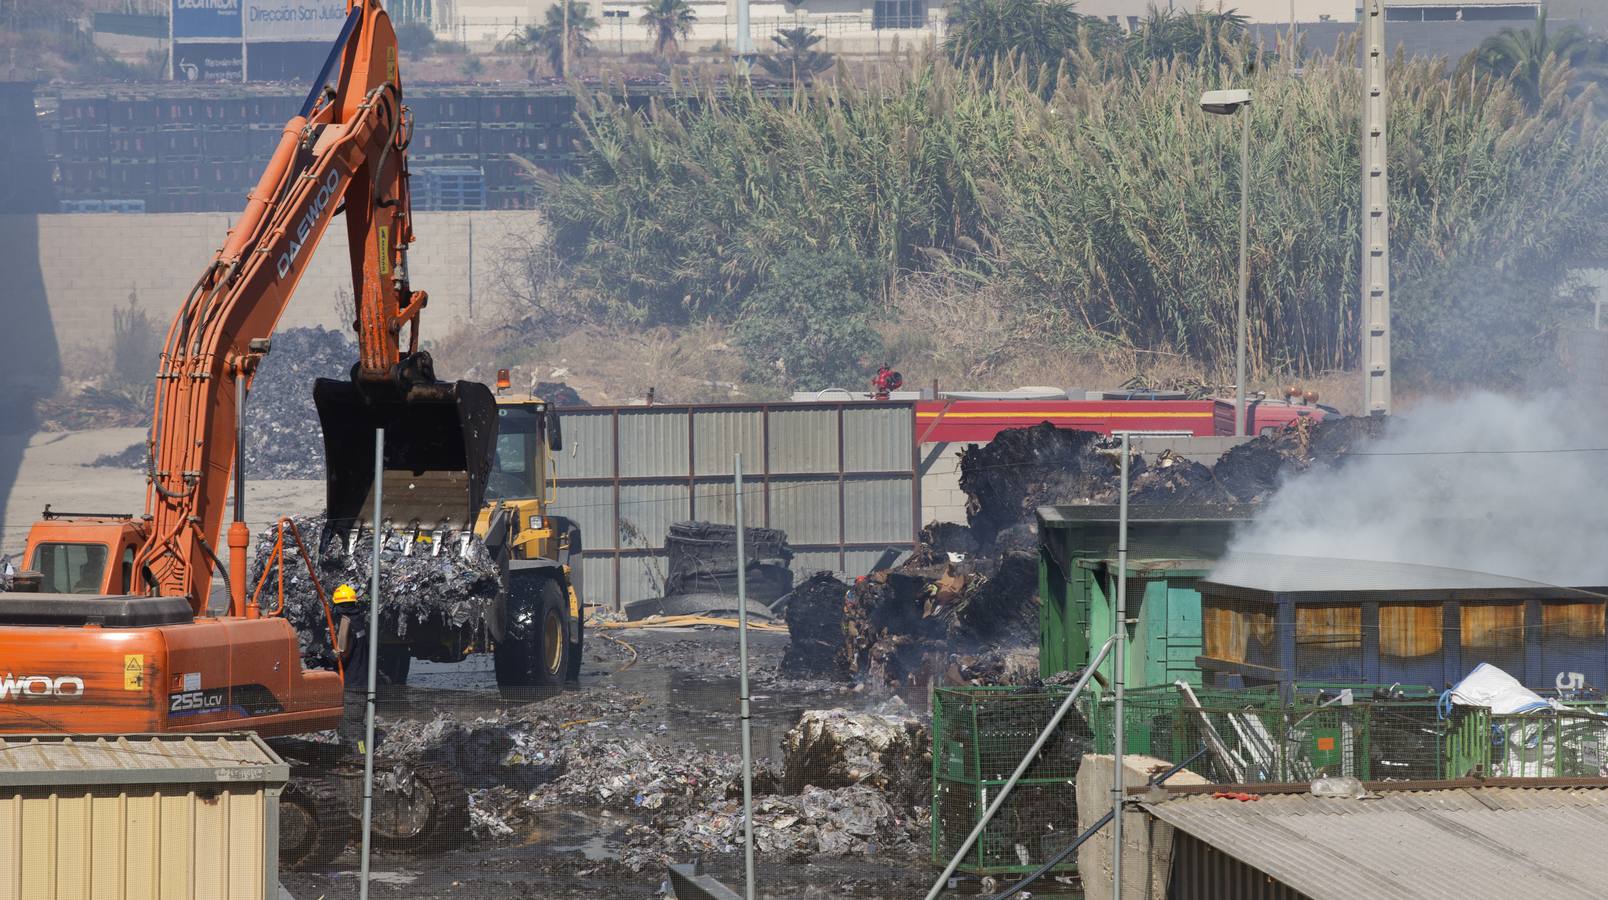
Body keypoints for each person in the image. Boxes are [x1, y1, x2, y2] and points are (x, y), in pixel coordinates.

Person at [331, 583, 373, 753]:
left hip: (352, 686)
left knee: (352, 728)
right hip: (362, 682)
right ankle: (355, 755)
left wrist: (325, 655)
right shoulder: (360, 621)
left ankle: (361, 755)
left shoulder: (346, 623)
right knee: (352, 725)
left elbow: (342, 654)